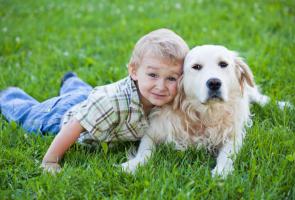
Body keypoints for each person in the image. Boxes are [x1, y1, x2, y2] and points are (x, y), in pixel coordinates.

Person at [0, 28, 189, 173]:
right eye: (153, 75)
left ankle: (71, 81)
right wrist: (50, 161)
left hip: (88, 100)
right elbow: (76, 124)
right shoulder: (112, 103)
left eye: (171, 78)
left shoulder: (166, 100)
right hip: (61, 117)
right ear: (133, 71)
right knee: (28, 116)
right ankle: (10, 95)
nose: (162, 86)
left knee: (83, 94)